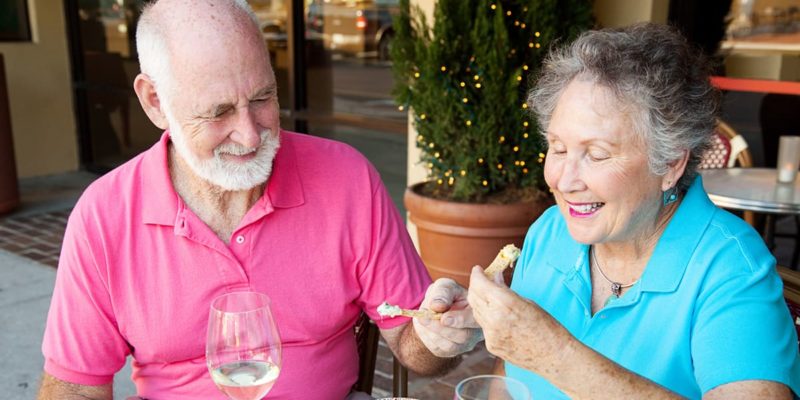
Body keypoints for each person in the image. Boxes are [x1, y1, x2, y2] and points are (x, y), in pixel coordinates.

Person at [37, 1, 481, 399]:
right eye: (218, 112)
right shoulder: (104, 216)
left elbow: (413, 346)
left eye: (263, 97)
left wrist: (438, 337)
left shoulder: (347, 178)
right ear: (155, 102)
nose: (251, 135)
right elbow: (74, 387)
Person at [468, 23, 800, 399]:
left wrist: (554, 354)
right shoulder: (550, 231)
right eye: (558, 148)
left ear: (671, 163)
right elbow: (508, 380)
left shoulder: (729, 268)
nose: (563, 179)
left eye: (596, 154)